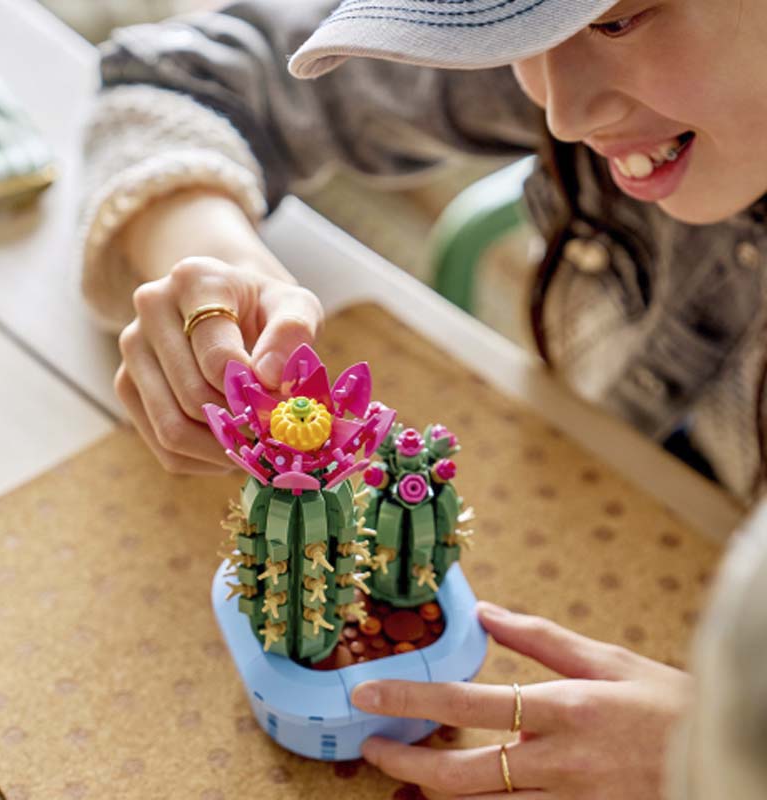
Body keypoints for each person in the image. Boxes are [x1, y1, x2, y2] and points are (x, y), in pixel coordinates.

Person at [78, 1, 767, 796]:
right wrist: (213, 269)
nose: (562, 110)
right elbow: (176, 78)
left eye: (617, 21)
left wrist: (717, 753)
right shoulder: (567, 67)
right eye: (513, 25)